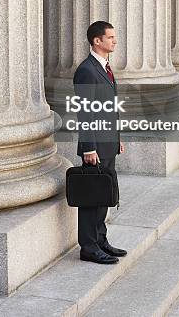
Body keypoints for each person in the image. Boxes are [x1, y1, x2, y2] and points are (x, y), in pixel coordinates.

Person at [73, 21, 126, 265]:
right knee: (92, 197)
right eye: (110, 37)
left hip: (108, 142)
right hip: (95, 146)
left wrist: (117, 138)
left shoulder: (104, 67)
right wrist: (89, 147)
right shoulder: (86, 70)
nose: (114, 41)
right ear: (97, 41)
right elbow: (85, 113)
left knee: (103, 194)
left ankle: (101, 239)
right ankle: (89, 247)